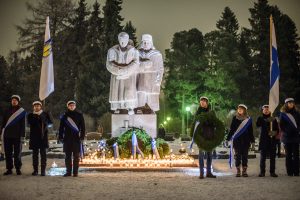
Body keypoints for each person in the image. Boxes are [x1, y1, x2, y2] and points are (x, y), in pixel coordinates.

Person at [106, 32, 139, 115]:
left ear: (128, 40)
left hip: (129, 75)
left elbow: (136, 63)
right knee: (117, 91)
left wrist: (126, 71)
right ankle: (117, 107)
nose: (123, 41)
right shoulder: (112, 50)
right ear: (118, 39)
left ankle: (130, 107)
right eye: (121, 39)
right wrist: (118, 71)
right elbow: (109, 64)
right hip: (117, 75)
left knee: (129, 91)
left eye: (125, 39)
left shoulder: (134, 51)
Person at [137, 34, 164, 112]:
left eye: (147, 42)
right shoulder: (137, 53)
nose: (145, 44)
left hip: (152, 80)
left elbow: (160, 69)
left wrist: (158, 81)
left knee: (152, 98)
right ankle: (139, 109)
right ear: (142, 43)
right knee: (140, 96)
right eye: (144, 42)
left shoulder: (157, 54)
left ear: (151, 43)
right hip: (141, 79)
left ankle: (152, 110)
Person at [59, 101, 85, 177]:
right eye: (70, 105)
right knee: (67, 156)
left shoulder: (79, 115)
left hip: (76, 138)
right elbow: (61, 127)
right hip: (67, 138)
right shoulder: (64, 116)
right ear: (68, 106)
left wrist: (82, 137)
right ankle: (68, 172)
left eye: (73, 105)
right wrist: (60, 136)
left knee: (76, 156)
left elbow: (83, 127)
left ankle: (75, 172)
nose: (72, 106)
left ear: (75, 106)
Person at [1, 95, 26, 175]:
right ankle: (9, 169)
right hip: (7, 135)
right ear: (11, 101)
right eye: (13, 100)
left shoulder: (21, 112)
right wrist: (1, 131)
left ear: (18, 101)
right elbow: (3, 123)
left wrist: (22, 135)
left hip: (17, 135)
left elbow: (23, 124)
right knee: (8, 153)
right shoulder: (6, 111)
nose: (14, 101)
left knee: (17, 153)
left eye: (15, 100)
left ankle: (18, 168)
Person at [227, 104, 254, 177]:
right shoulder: (235, 118)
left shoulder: (248, 119)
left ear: (244, 110)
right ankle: (238, 171)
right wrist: (228, 138)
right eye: (239, 109)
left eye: (241, 109)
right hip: (237, 140)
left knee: (245, 156)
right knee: (238, 156)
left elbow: (251, 131)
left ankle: (244, 171)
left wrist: (252, 141)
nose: (239, 110)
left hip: (246, 140)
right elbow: (232, 129)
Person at [27, 101, 52, 176]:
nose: (37, 107)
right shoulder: (30, 115)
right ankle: (35, 170)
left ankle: (43, 171)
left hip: (43, 136)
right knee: (35, 154)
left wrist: (44, 115)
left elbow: (50, 123)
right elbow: (30, 122)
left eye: (38, 106)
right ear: (33, 107)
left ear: (41, 107)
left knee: (43, 154)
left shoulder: (45, 114)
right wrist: (37, 116)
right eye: (35, 106)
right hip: (34, 137)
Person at [194, 96, 216, 179]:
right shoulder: (198, 112)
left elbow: (214, 123)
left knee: (209, 155)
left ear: (207, 103)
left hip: (209, 135)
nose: (202, 103)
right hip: (201, 136)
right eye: (201, 101)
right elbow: (196, 122)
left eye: (203, 101)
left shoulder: (211, 112)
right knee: (201, 155)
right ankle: (201, 173)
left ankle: (209, 172)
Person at [256, 105, 279, 177]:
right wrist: (266, 120)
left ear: (270, 110)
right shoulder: (260, 118)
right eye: (265, 109)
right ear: (262, 110)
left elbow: (277, 130)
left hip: (272, 140)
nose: (266, 110)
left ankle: (272, 172)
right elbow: (258, 125)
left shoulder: (273, 119)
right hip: (263, 140)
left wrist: (273, 133)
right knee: (263, 157)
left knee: (272, 157)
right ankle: (262, 172)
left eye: (267, 109)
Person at [279, 98, 300, 176]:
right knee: (288, 155)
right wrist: (286, 131)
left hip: (295, 137)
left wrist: (298, 130)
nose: (291, 104)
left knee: (296, 155)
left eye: (292, 103)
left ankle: (297, 171)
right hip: (287, 137)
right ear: (286, 104)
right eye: (289, 103)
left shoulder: (297, 113)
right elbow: (281, 125)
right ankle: (290, 172)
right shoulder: (283, 114)